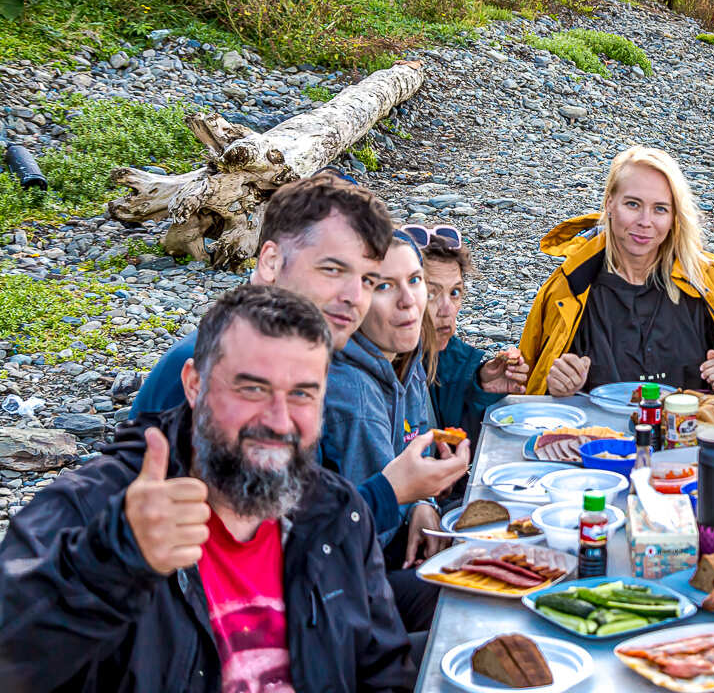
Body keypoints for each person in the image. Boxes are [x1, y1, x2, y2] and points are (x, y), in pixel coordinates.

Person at [0, 286, 415, 692]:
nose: (278, 420)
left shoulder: (337, 511)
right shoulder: (95, 508)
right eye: (252, 389)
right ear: (194, 384)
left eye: (302, 394)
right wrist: (113, 561)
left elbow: (383, 673)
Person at [128, 174, 464, 543]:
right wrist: (391, 492)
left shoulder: (297, 357)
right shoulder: (220, 366)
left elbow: (302, 509)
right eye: (333, 270)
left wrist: (417, 502)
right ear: (271, 262)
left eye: (368, 280)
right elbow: (271, 545)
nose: (355, 297)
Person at [321, 229, 468, 630]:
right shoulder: (353, 396)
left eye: (415, 281)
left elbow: (415, 446)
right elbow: (365, 530)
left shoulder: (405, 356)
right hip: (349, 586)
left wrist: (425, 503)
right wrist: (415, 498)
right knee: (471, 592)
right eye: (384, 286)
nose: (409, 301)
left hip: (392, 537)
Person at [519, 146, 714, 396]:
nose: (645, 221)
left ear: (675, 217)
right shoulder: (569, 287)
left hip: (692, 421)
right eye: (633, 204)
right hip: (595, 423)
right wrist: (556, 390)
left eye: (660, 208)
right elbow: (523, 392)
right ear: (609, 204)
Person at [421, 230, 529, 445]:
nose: (447, 310)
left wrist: (481, 388)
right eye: (430, 294)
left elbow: (455, 442)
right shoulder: (371, 379)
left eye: (454, 292)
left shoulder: (447, 359)